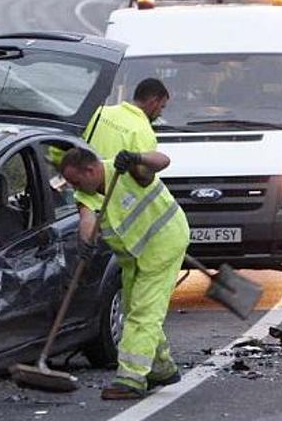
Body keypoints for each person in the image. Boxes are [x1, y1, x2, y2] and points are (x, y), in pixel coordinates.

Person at [60, 147, 189, 400]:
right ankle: (161, 368)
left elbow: (163, 160)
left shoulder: (129, 171)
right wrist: (85, 244)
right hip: (132, 257)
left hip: (162, 244)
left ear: (91, 170)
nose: (74, 187)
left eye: (76, 181)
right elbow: (87, 218)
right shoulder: (85, 191)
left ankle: (131, 378)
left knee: (143, 312)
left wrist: (136, 157)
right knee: (132, 310)